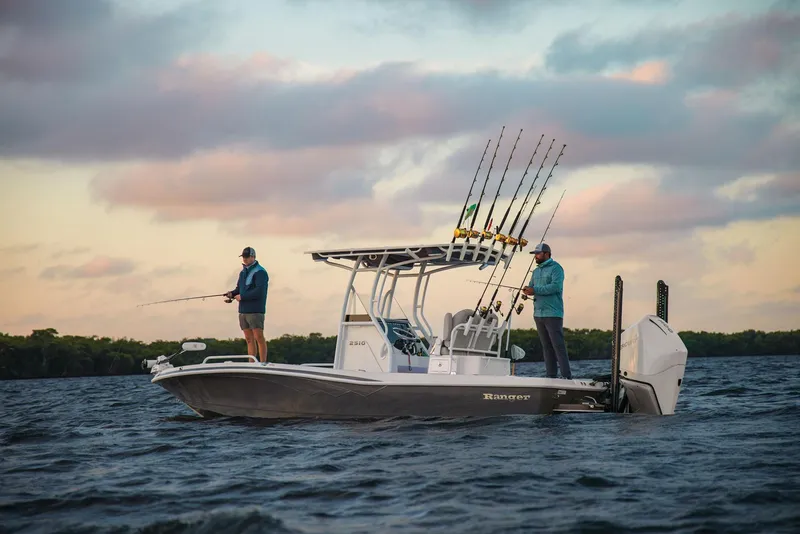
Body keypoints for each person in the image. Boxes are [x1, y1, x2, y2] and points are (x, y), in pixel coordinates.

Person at [522, 242, 572, 379]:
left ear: (547, 254)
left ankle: (566, 377)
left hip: (553, 314)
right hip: (538, 314)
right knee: (546, 347)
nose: (536, 256)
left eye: (538, 254)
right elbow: (532, 286)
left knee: (558, 347)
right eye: (535, 254)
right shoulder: (536, 271)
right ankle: (551, 376)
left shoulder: (556, 268)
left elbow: (555, 287)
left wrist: (535, 290)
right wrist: (528, 290)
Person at [225, 246, 269, 363]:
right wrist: (232, 294)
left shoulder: (260, 272)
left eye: (247, 257)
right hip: (243, 310)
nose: (244, 259)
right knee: (249, 339)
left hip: (255, 310)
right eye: (243, 257)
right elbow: (239, 289)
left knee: (258, 337)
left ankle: (263, 363)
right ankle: (251, 363)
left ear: (253, 257)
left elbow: (259, 291)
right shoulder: (243, 272)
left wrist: (242, 297)